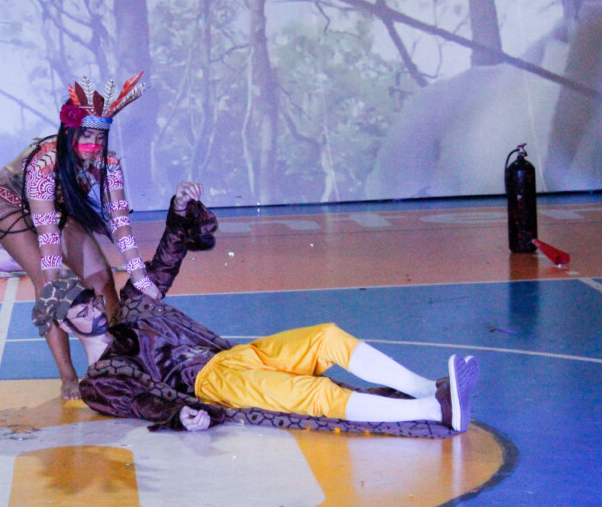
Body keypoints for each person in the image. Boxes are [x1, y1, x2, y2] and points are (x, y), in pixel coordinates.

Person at [32, 182, 480, 437]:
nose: (92, 309)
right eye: (79, 311)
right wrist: (177, 415)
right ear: (67, 327)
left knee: (325, 337)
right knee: (311, 397)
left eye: (89, 299)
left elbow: (165, 263)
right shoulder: (99, 381)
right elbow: (139, 402)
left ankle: (428, 388)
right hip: (212, 382)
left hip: (232, 356)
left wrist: (179, 209)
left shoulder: (130, 308)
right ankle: (433, 411)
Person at [0, 72, 159, 400]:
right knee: (49, 281)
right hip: (10, 208)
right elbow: (49, 239)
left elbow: (121, 225)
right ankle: (67, 374)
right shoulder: (43, 165)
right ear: (69, 133)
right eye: (86, 136)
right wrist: (51, 292)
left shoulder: (108, 163)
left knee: (101, 277)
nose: (94, 146)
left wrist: (140, 277)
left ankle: (118, 357)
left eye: (100, 137)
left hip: (55, 207)